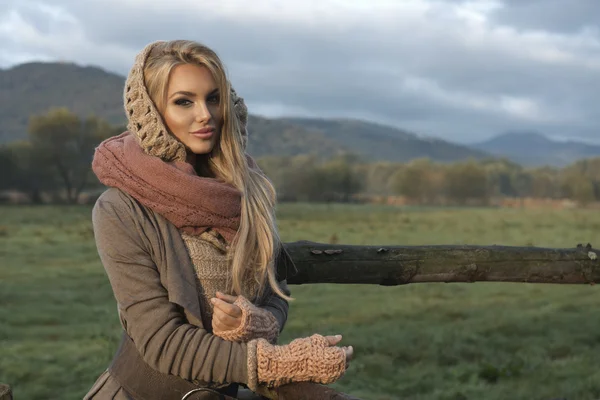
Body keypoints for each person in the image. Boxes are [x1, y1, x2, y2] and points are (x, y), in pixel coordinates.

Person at [84, 40, 353, 400]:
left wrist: (257, 322)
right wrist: (280, 362)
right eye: (183, 102)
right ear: (151, 112)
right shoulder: (120, 208)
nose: (205, 115)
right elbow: (161, 341)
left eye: (213, 98)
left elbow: (276, 289)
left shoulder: (248, 192)